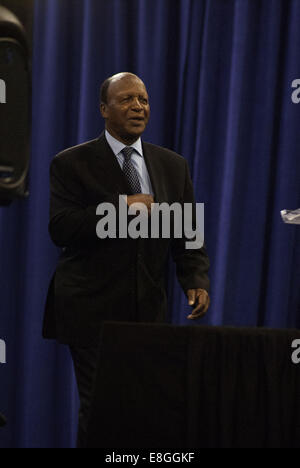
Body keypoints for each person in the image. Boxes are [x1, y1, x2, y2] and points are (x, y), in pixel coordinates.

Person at [43, 72, 210, 448]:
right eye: (127, 100)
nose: (138, 107)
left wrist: (195, 278)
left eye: (144, 100)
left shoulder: (173, 165)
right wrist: (122, 209)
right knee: (102, 406)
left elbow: (187, 230)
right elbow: (61, 227)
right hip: (90, 308)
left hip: (147, 307)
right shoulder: (72, 163)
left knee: (145, 408)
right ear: (104, 109)